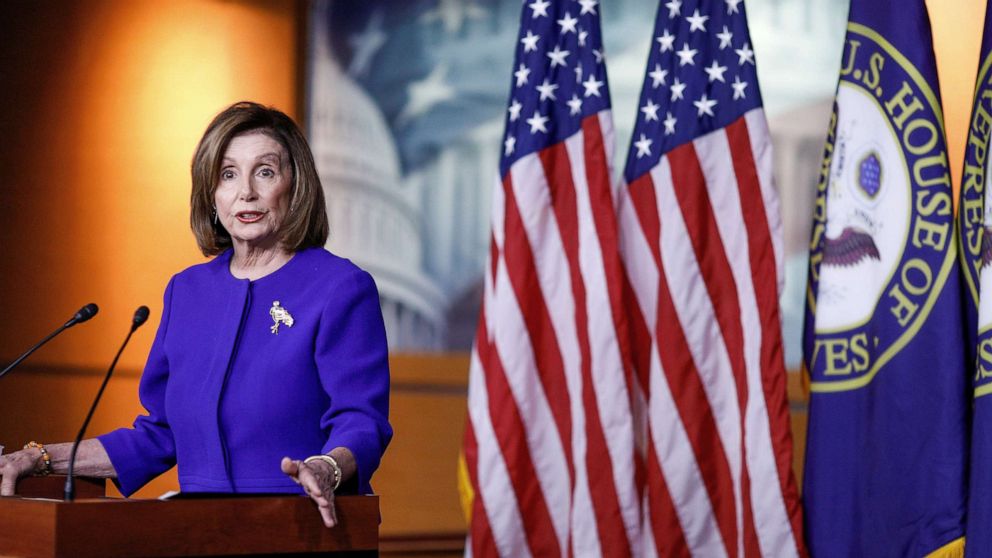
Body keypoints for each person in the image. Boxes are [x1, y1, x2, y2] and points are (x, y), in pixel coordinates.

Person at [0, 101, 392, 527]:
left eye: (265, 171)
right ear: (211, 195)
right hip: (200, 535)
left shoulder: (338, 287)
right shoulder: (187, 291)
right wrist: (40, 458)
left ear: (295, 186)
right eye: (228, 174)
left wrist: (326, 467)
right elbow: (160, 433)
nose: (246, 192)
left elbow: (361, 420)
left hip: (303, 527)